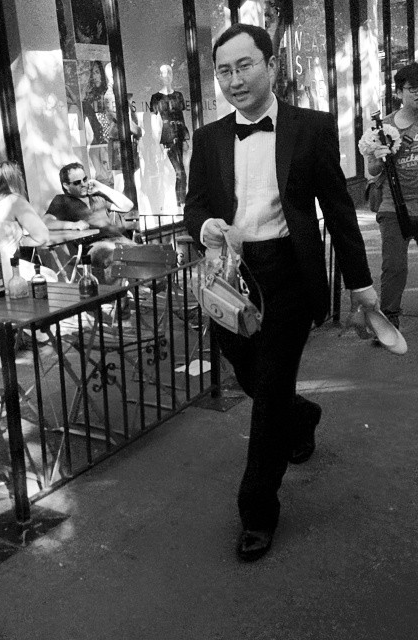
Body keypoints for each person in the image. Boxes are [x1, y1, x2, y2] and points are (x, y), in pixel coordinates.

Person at [184, 24, 378, 562]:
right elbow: (194, 205)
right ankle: (304, 415)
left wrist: (362, 288)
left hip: (289, 272)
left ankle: (257, 511)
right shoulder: (209, 138)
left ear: (271, 65)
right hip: (232, 278)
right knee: (252, 377)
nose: (234, 80)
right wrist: (204, 228)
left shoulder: (312, 129)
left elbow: (339, 212)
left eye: (245, 65)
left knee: (267, 394)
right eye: (224, 70)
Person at [364, 62, 418, 330]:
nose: (417, 93)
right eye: (412, 89)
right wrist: (379, 156)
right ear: (399, 92)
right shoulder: (383, 126)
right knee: (394, 267)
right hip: (393, 206)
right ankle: (388, 319)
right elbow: (372, 171)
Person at [43, 161, 135, 280]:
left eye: (85, 179)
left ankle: (142, 290)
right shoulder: (62, 201)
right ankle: (120, 296)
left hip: (118, 240)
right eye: (77, 182)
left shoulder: (97, 196)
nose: (83, 184)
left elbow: (127, 205)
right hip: (95, 246)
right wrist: (72, 225)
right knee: (116, 258)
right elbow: (46, 222)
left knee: (147, 254)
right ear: (66, 186)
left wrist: (101, 187)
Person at [150, 65, 190, 206]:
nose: (166, 76)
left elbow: (182, 116)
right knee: (178, 171)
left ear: (172, 75)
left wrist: (185, 139)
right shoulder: (156, 97)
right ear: (159, 76)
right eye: (162, 73)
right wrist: (157, 143)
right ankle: (180, 203)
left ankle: (182, 203)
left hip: (180, 134)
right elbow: (155, 122)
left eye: (168, 73)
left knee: (184, 170)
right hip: (167, 137)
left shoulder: (178, 95)